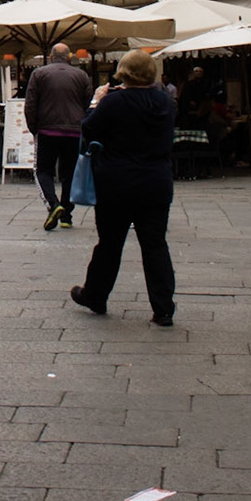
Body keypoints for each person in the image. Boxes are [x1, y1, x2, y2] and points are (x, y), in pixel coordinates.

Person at [70, 49, 177, 325]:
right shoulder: (165, 102)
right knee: (155, 245)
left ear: (124, 73)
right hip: (156, 182)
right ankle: (163, 307)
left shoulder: (114, 102)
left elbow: (88, 129)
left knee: (110, 243)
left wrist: (97, 101)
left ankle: (95, 294)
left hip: (117, 183)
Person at [25, 43, 93, 231]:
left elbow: (30, 103)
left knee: (43, 170)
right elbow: (89, 103)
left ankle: (53, 205)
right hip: (74, 131)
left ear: (52, 56)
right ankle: (67, 216)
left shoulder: (39, 74)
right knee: (69, 173)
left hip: (47, 130)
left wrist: (34, 128)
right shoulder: (82, 76)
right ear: (69, 57)